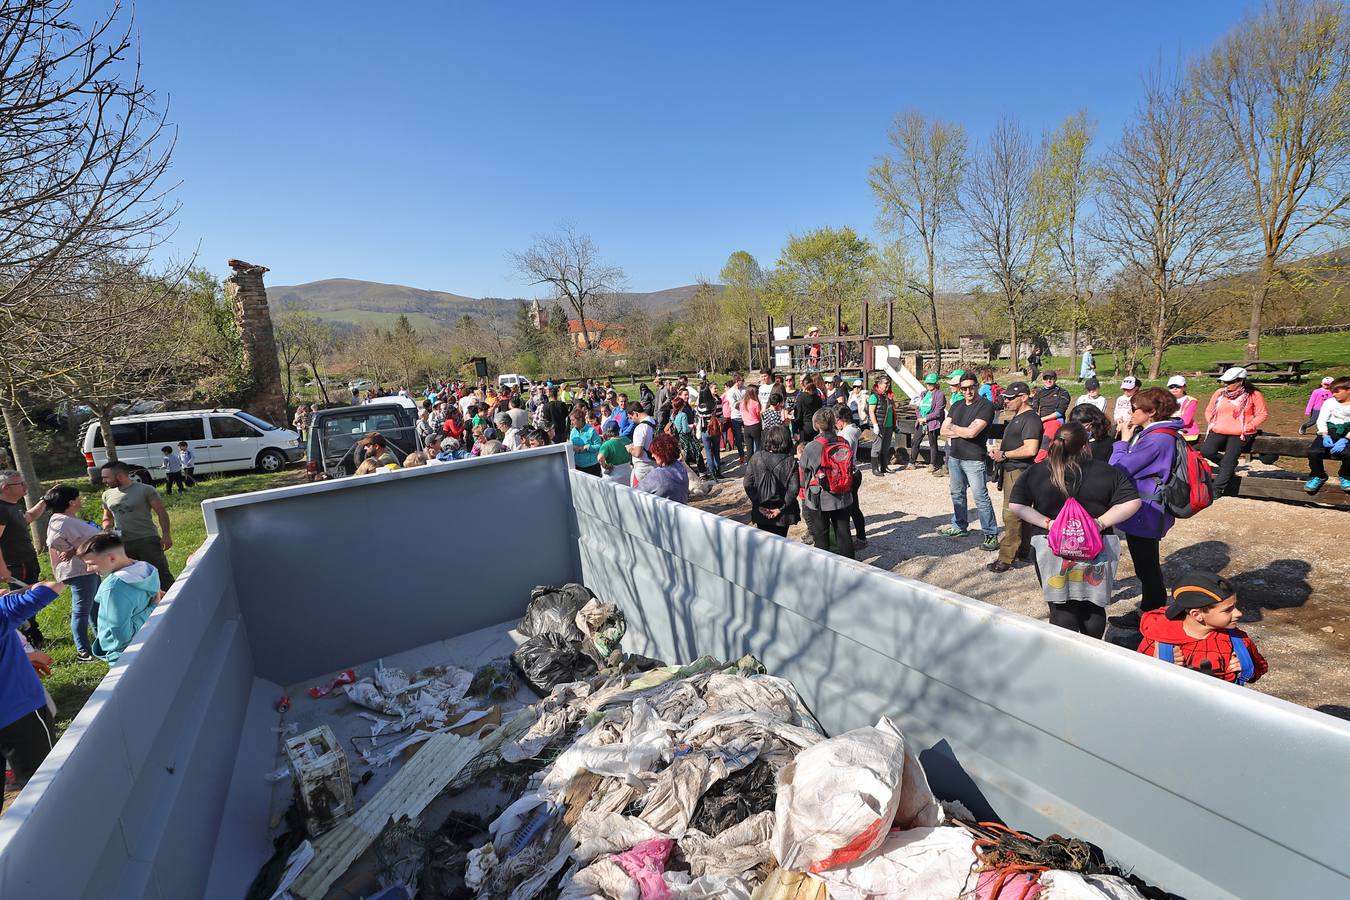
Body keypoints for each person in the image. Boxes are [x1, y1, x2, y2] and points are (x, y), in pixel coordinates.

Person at [1008, 423, 1142, 638]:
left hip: (1051, 546)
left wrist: (1049, 524)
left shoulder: (1038, 470)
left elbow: (1016, 505)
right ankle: (1092, 651)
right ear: (1085, 445)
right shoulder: (1106, 471)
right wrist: (1099, 523)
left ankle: (1066, 656)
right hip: (1097, 546)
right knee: (1093, 604)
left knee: (1061, 604)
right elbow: (1132, 502)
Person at [1109, 387, 1182, 627]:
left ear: (1151, 412)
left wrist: (1122, 442)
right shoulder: (1160, 434)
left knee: (1146, 565)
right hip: (1147, 507)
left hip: (1146, 511)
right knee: (1146, 562)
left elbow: (1118, 469)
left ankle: (1152, 612)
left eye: (1134, 409)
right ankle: (1152, 608)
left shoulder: (1156, 439)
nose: (1130, 413)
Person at [1137, 572, 1267, 685]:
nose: (1238, 613)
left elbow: (1260, 667)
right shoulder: (1159, 641)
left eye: (1235, 606)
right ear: (1197, 614)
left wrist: (1247, 668)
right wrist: (1155, 665)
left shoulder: (1239, 642)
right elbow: (1136, 680)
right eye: (1228, 610)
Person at [0, 578, 67, 785]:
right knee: (45, 785)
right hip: (19, 713)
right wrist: (20, 591)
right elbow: (53, 586)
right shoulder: (3, 610)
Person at [77, 532, 160, 664]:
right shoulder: (147, 569)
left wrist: (153, 608)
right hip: (151, 638)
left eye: (91, 563)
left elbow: (123, 637)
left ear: (112, 558)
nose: (88, 569)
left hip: (124, 655)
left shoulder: (113, 589)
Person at [938, 374, 999, 550]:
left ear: (977, 386)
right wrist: (963, 430)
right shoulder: (957, 405)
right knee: (957, 493)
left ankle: (990, 533)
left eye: (971, 387)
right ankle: (960, 526)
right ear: (959, 388)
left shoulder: (985, 406)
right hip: (955, 456)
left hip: (974, 458)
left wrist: (955, 429)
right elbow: (943, 429)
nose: (967, 391)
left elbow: (973, 433)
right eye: (963, 388)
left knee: (980, 497)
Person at [987, 382, 1042, 573]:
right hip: (1013, 469)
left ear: (1024, 397)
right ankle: (1023, 551)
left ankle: (1006, 558)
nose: (1006, 401)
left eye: (1011, 398)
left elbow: (1031, 449)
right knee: (1022, 513)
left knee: (1010, 514)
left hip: (1019, 470)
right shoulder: (1018, 417)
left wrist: (1005, 455)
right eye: (1006, 397)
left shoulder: (1031, 419)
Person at [44, 485, 103, 662]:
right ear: (71, 502)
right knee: (81, 611)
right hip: (79, 571)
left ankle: (101, 641)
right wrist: (72, 549)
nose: (80, 500)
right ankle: (83, 651)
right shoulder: (62, 521)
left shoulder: (66, 519)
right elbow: (53, 540)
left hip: (88, 568)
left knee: (94, 608)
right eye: (78, 498)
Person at [1201, 367, 1268, 497]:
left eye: (1230, 382)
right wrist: (1212, 422)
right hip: (1219, 429)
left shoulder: (1254, 394)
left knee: (1228, 460)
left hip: (1240, 432)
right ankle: (1229, 466)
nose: (1227, 385)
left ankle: (1216, 489)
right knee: (1206, 451)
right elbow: (1209, 409)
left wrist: (1248, 426)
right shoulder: (1219, 393)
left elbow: (1262, 414)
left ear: (1241, 381)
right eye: (1225, 382)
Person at [798, 407, 855, 559]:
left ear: (816, 425)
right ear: (834, 423)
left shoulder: (812, 446)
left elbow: (803, 475)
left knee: (821, 536)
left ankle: (824, 569)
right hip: (843, 494)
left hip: (820, 498)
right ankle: (850, 567)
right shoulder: (844, 442)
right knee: (844, 534)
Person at [0, 470, 49, 646]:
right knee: (23, 601)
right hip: (16, 564)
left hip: (28, 560)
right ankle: (28, 638)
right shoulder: (1, 509)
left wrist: (44, 501)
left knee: (30, 596)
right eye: (20, 484)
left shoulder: (14, 506)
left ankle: (31, 634)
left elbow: (29, 517)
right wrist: (3, 568)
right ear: (5, 488)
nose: (25, 486)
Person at [742, 424, 800, 536]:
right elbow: (793, 489)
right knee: (780, 545)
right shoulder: (790, 461)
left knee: (764, 544)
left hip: (762, 510)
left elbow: (747, 483)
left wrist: (758, 504)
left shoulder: (756, 457)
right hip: (783, 513)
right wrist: (780, 508)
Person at [1305, 376, 1350, 493]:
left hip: (1347, 433)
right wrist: (1324, 434)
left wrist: (1346, 439)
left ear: (1348, 390)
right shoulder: (1329, 403)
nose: (1333, 394)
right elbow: (1321, 419)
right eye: (1332, 392)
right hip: (1329, 431)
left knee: (1348, 454)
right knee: (1313, 452)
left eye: (1337, 391)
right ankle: (1318, 475)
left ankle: (1345, 475)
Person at [835, 406, 868, 549]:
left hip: (849, 472)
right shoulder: (854, 429)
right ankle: (860, 537)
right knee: (854, 507)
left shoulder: (845, 435)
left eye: (836, 420)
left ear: (841, 420)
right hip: (855, 471)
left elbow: (842, 455)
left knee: (851, 508)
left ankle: (858, 538)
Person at [636, 433, 690, 503]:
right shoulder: (681, 468)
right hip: (680, 510)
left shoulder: (658, 474)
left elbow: (636, 493)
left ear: (662, 453)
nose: (652, 455)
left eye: (654, 452)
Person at [913, 372, 946, 473]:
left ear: (936, 383)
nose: (929, 385)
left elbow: (938, 412)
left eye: (931, 383)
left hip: (932, 423)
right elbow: (917, 407)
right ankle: (912, 461)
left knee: (932, 444)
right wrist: (920, 418)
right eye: (927, 383)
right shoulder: (923, 393)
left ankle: (932, 464)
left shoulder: (940, 395)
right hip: (921, 422)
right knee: (915, 441)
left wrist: (926, 418)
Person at [867, 374, 896, 476]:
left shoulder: (888, 396)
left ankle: (884, 467)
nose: (888, 385)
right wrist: (875, 425)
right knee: (877, 447)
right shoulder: (874, 396)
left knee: (886, 447)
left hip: (888, 425)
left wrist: (894, 424)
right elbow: (871, 412)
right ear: (879, 384)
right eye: (886, 383)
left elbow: (892, 411)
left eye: (889, 383)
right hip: (879, 425)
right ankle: (875, 469)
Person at [628, 403, 657, 487]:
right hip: (655, 464)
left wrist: (629, 449)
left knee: (637, 496)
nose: (632, 420)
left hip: (642, 468)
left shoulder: (640, 428)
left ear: (635, 413)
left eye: (631, 417)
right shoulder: (654, 421)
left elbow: (638, 453)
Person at [568, 408, 603, 476]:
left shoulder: (591, 430)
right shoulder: (573, 431)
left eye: (573, 420)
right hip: (577, 465)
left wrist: (587, 447)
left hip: (591, 466)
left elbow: (599, 446)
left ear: (580, 419)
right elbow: (570, 443)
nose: (571, 423)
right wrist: (572, 446)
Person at [597, 420, 633, 485]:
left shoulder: (606, 444)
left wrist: (605, 466)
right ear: (619, 429)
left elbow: (600, 458)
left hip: (613, 475)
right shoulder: (627, 440)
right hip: (627, 472)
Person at [794, 374, 824, 444]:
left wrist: (795, 430)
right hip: (816, 426)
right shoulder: (818, 398)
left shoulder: (800, 397)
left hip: (805, 427)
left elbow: (798, 415)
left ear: (803, 385)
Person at [1167, 376, 1200, 440]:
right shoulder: (1165, 400)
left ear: (1184, 387)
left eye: (1178, 386)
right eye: (1171, 387)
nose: (1175, 388)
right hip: (1168, 430)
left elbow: (1186, 420)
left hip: (1186, 432)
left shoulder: (1191, 401)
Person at [724, 374, 747, 463]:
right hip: (736, 417)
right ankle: (741, 455)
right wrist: (743, 401)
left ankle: (749, 454)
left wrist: (742, 402)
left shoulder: (745, 389)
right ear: (737, 382)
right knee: (738, 437)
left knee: (747, 436)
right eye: (741, 381)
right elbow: (734, 405)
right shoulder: (731, 392)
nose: (743, 383)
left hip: (745, 416)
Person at [741, 383, 763, 458]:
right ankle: (757, 463)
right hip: (755, 425)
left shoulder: (742, 403)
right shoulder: (756, 403)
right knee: (758, 446)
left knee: (749, 449)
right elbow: (758, 415)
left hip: (746, 427)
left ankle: (749, 465)